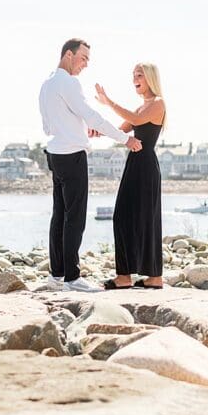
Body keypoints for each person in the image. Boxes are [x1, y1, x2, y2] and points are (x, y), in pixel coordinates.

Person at [39, 38, 142, 292]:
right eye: (83, 58)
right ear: (68, 55)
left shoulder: (47, 84)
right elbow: (91, 114)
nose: (85, 64)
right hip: (72, 156)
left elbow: (50, 125)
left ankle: (56, 276)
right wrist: (125, 139)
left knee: (59, 216)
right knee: (74, 218)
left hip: (54, 154)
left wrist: (82, 131)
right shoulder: (69, 82)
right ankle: (73, 278)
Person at [94, 62, 166, 289]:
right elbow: (123, 128)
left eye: (140, 75)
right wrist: (99, 130)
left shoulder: (157, 104)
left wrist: (109, 102)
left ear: (150, 79)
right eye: (133, 75)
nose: (135, 79)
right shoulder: (142, 107)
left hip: (145, 166)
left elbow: (134, 122)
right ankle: (147, 276)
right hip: (135, 164)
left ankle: (133, 277)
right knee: (128, 217)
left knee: (140, 218)